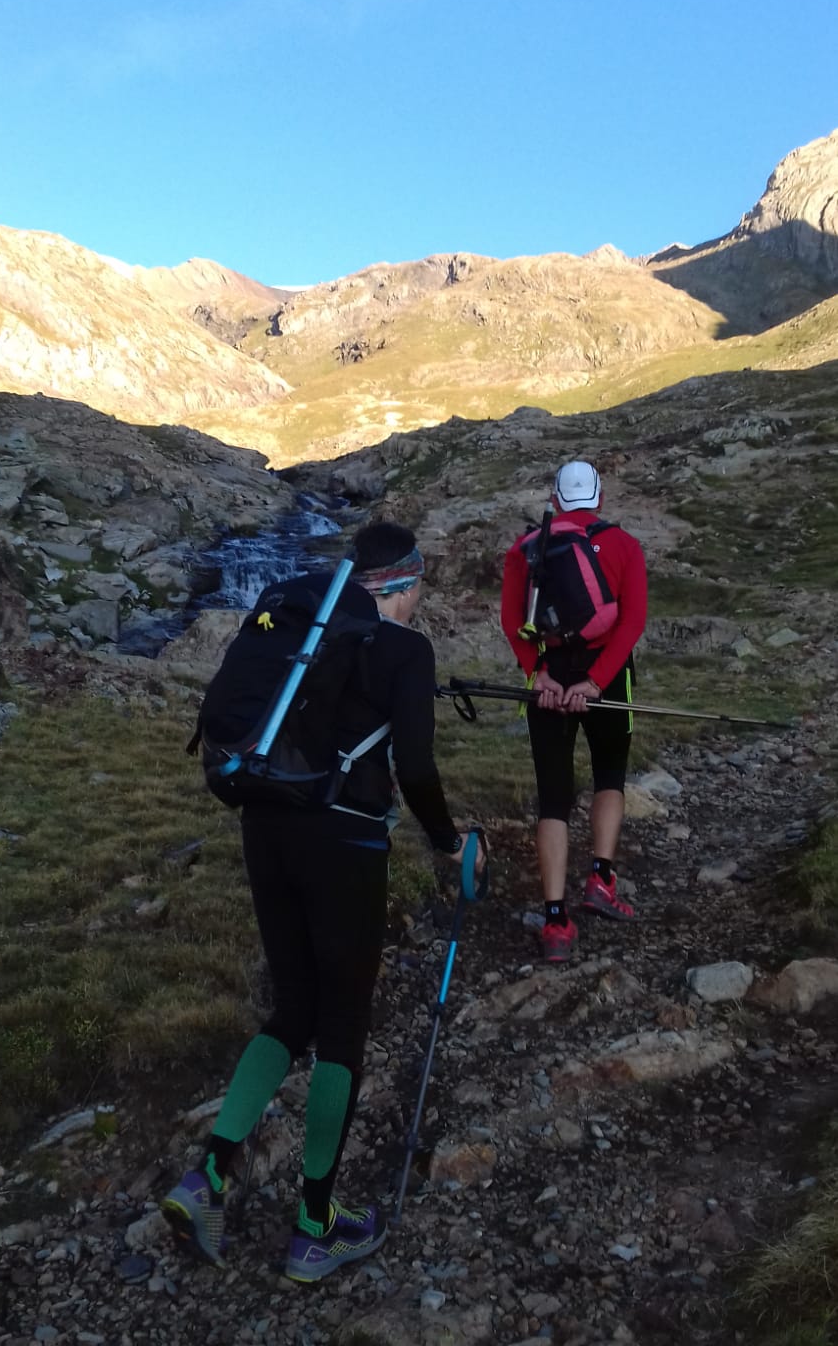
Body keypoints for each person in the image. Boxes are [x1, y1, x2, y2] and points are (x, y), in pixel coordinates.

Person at [163, 521, 482, 1280]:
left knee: (292, 1009)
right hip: (345, 842)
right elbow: (416, 766)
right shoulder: (406, 650)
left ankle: (207, 1178)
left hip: (265, 824)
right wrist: (450, 843)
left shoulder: (302, 624)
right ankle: (316, 1225)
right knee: (342, 1023)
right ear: (406, 583)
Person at [500, 460, 647, 964]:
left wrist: (537, 674)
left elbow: (511, 620)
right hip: (608, 676)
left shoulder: (526, 548)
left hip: (550, 675)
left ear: (556, 499)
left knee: (553, 796)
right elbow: (632, 622)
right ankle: (601, 879)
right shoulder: (625, 546)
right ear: (599, 497)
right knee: (610, 774)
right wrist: (597, 681)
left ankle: (555, 919)